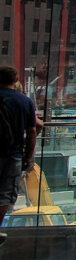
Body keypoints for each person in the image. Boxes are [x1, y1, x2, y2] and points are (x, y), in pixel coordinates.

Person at [0, 67, 37, 245]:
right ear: (15, 80)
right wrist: (28, 157)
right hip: (12, 153)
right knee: (5, 193)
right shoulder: (24, 101)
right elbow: (32, 132)